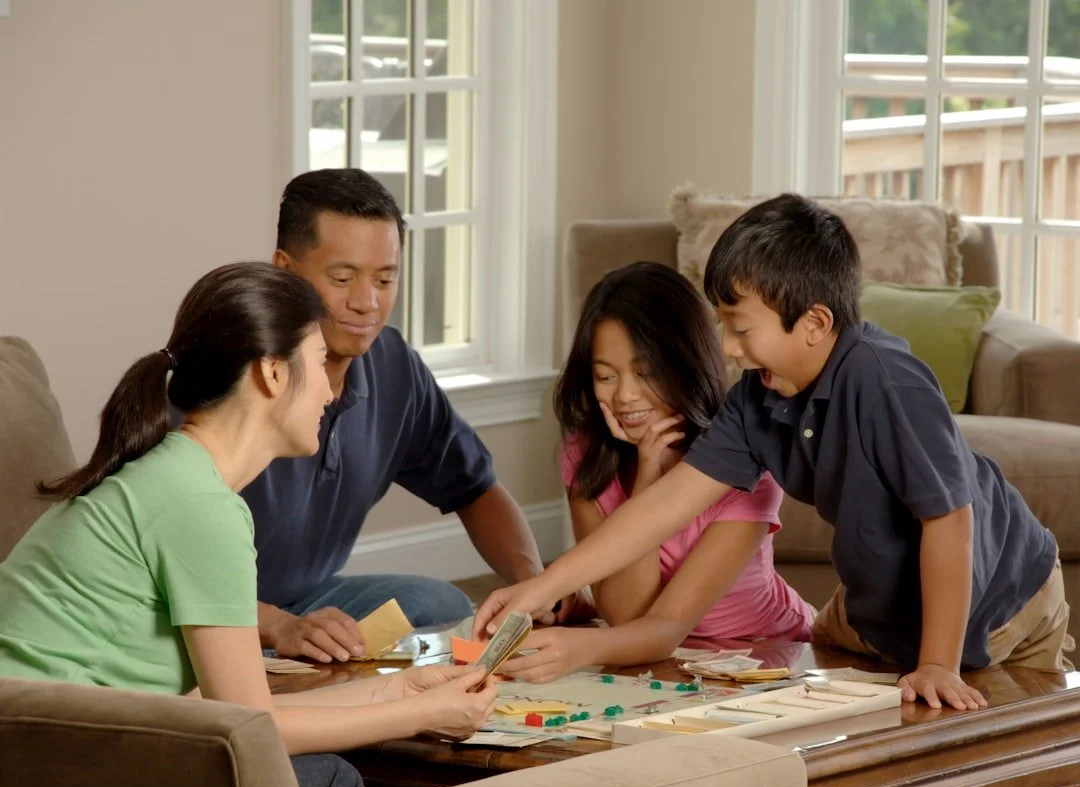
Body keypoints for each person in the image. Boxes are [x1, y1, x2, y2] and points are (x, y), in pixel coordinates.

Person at [475, 194, 1074, 711]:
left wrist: (939, 663)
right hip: (879, 606)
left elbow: (949, 519)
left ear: (814, 323)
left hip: (998, 598)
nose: (729, 349)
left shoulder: (888, 383)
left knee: (987, 743)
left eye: (741, 328)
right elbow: (661, 509)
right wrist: (541, 587)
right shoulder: (755, 401)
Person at [0, 262, 497, 787]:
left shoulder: (174, 475)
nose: (331, 394)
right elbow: (250, 727)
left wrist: (403, 692)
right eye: (321, 362)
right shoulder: (199, 505)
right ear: (273, 372)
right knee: (326, 777)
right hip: (46, 762)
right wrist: (420, 716)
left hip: (50, 746)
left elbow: (227, 708)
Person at [247, 168, 591, 665]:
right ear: (284, 269)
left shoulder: (392, 365)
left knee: (439, 603)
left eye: (385, 279)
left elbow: (474, 487)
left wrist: (532, 584)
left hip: (308, 601)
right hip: (209, 617)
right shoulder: (233, 376)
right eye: (342, 279)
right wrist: (277, 626)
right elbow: (163, 569)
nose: (367, 303)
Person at [499, 262, 814, 684]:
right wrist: (647, 475)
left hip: (766, 652)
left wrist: (578, 646)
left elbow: (663, 626)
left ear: (686, 362)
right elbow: (626, 614)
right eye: (605, 376)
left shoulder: (747, 462)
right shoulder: (586, 454)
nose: (626, 396)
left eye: (646, 373)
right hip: (658, 662)